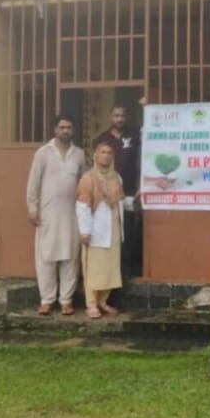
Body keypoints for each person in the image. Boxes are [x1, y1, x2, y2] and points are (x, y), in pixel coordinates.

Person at [26, 115, 86, 317]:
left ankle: (66, 300)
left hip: (72, 215)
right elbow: (33, 182)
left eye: (69, 127)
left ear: (73, 130)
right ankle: (46, 300)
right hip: (48, 214)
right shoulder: (43, 153)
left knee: (70, 257)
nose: (66, 131)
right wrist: (32, 209)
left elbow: (84, 183)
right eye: (62, 127)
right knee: (46, 257)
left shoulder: (79, 154)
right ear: (55, 130)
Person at [76, 137, 125, 319]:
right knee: (93, 268)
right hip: (95, 230)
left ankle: (103, 301)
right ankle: (91, 304)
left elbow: (119, 202)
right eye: (102, 152)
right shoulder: (88, 178)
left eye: (109, 153)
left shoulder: (117, 177)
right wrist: (85, 231)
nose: (106, 156)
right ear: (95, 156)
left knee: (110, 268)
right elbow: (82, 206)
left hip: (113, 229)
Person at [95, 103, 143, 285]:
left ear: (127, 117)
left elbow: (143, 157)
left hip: (130, 191)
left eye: (122, 116)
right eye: (116, 116)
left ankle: (127, 269)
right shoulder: (103, 138)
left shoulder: (134, 135)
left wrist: (141, 184)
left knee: (128, 231)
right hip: (107, 192)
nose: (119, 119)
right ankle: (111, 269)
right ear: (110, 117)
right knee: (111, 230)